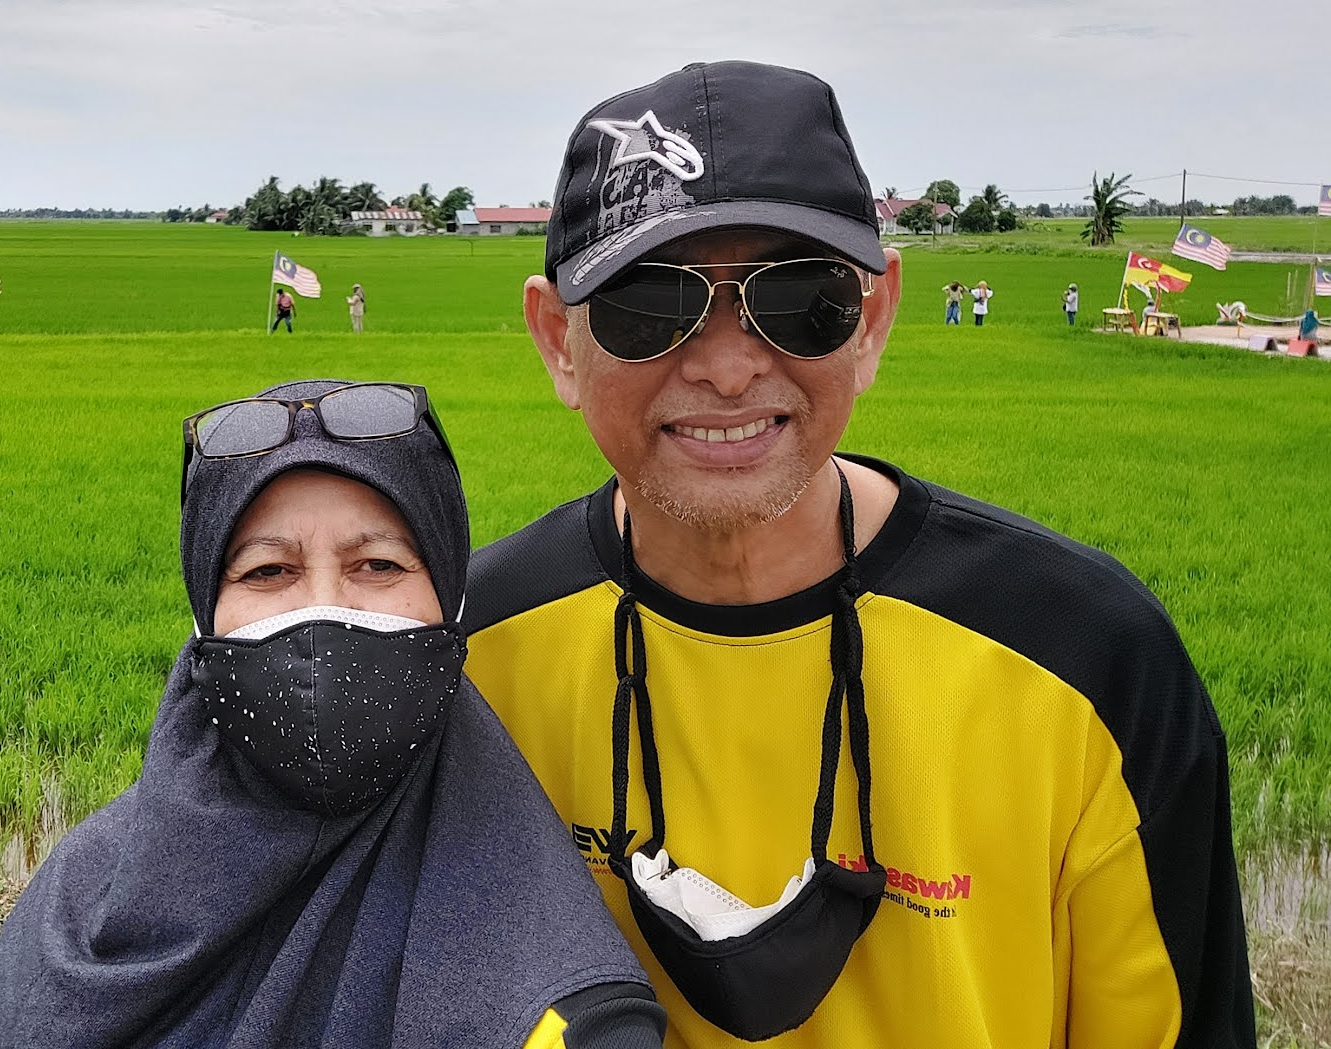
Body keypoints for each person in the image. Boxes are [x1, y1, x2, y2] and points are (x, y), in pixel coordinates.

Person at [466, 60, 1251, 1047]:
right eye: (644, 305)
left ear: (872, 320)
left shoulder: (1088, 660)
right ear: (554, 340)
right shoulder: (465, 660)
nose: (725, 363)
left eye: (799, 299)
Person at [0, 379, 666, 1049]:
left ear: (451, 607)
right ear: (204, 619)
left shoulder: (557, 995)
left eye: (380, 565)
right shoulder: (78, 905)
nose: (322, 613)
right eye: (268, 572)